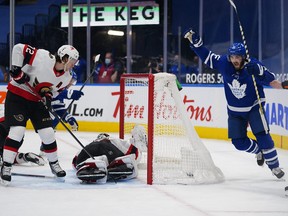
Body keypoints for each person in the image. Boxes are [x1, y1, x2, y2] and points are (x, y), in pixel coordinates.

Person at [184, 28, 285, 179]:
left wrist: (259, 71)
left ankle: (275, 166)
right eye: (232, 57)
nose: (235, 60)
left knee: (263, 135)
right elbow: (208, 57)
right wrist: (197, 45)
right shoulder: (224, 63)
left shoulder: (252, 65)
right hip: (235, 111)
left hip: (254, 106)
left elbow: (272, 81)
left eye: (238, 57)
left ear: (244, 57)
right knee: (238, 142)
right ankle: (258, 150)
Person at [0, 43, 79, 185]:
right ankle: (6, 166)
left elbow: (55, 91)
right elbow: (18, 48)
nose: (73, 64)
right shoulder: (43, 57)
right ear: (64, 57)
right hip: (17, 96)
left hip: (35, 101)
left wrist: (48, 95)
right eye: (72, 60)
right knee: (17, 131)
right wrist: (17, 70)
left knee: (48, 132)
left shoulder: (66, 78)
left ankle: (54, 164)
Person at [72, 125, 147, 183]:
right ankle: (118, 167)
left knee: (87, 161)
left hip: (88, 150)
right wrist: (134, 159)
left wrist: (79, 166)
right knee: (114, 159)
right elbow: (131, 152)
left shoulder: (90, 144)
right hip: (107, 148)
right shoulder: (111, 139)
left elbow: (75, 161)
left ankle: (90, 168)